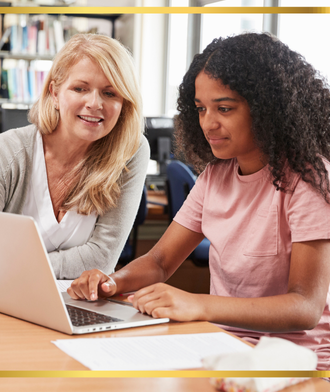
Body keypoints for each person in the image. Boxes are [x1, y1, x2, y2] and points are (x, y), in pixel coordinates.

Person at [68, 32, 330, 370]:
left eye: (224, 108)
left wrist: (199, 304)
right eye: (201, 109)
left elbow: (304, 307)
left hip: (294, 363)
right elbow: (160, 261)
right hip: (222, 345)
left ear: (268, 107)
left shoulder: (308, 178)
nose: (208, 123)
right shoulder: (215, 175)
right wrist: (112, 282)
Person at [0, 33, 149, 280]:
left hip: (75, 307)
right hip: (0, 300)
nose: (94, 103)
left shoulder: (129, 150)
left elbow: (102, 259)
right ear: (54, 93)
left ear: (124, 103)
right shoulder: (3, 152)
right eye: (80, 88)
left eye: (110, 93)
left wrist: (0, 265)